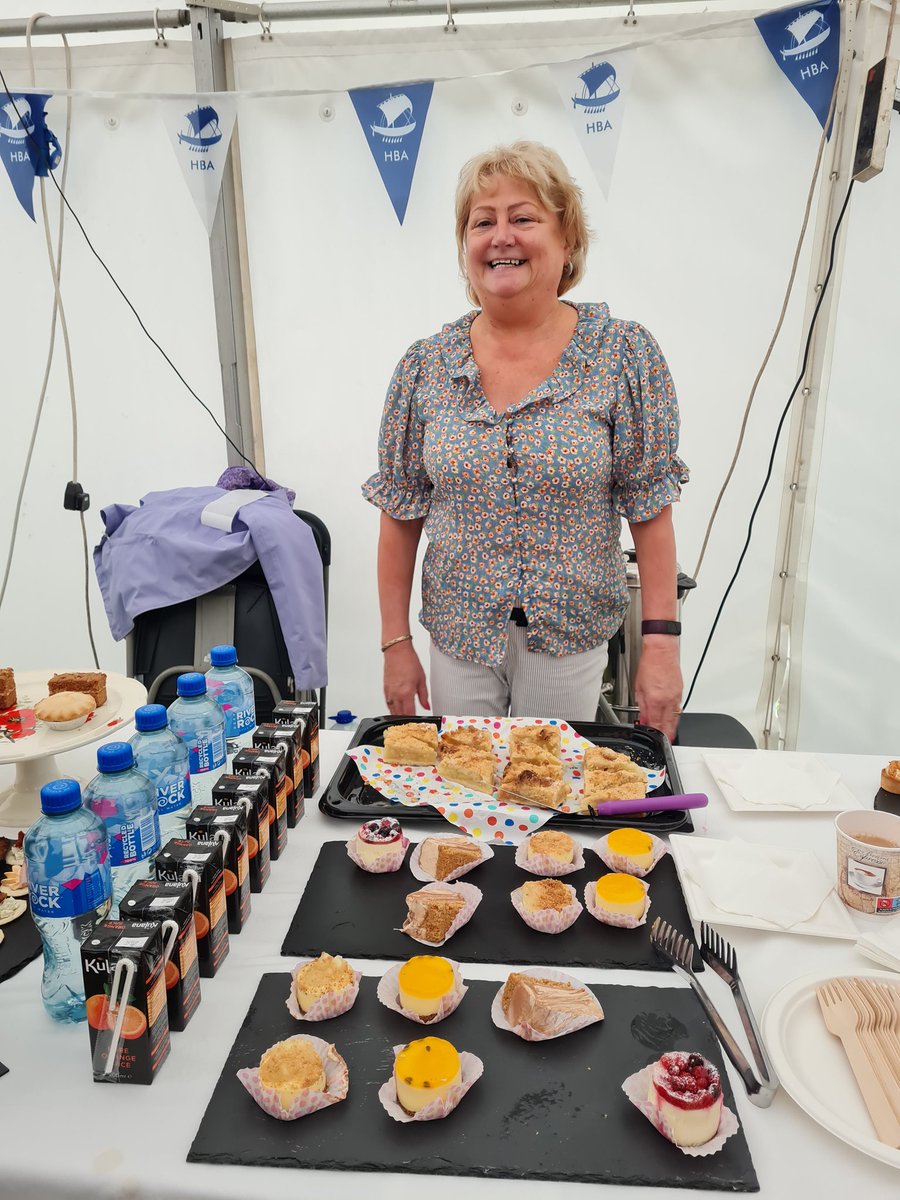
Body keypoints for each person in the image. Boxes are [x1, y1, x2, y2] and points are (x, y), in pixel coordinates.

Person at [362, 141, 688, 740]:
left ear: (567, 242)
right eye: (482, 222)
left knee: (551, 797)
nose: (500, 236)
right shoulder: (424, 367)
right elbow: (400, 513)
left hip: (571, 637)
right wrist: (395, 643)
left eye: (523, 218)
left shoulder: (623, 355)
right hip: (459, 639)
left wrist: (661, 646)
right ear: (466, 249)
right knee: (465, 798)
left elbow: (651, 510)